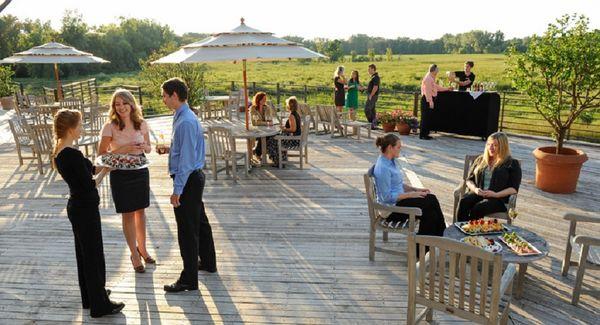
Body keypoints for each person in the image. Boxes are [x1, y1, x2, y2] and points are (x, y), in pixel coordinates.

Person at [53, 109, 125, 318]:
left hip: (77, 207)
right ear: (70, 129)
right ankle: (100, 304)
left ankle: (90, 296)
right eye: (80, 125)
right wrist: (107, 171)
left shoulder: (61, 151)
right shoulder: (72, 154)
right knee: (93, 256)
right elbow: (90, 184)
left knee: (83, 254)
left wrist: (104, 163)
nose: (82, 129)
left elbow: (89, 169)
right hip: (84, 209)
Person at [158, 78, 217, 293]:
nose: (163, 99)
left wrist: (177, 190)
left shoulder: (185, 121)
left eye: (164, 95)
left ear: (174, 95)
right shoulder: (184, 115)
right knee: (200, 222)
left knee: (187, 230)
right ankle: (208, 262)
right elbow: (183, 149)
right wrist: (168, 149)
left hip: (189, 180)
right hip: (194, 176)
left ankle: (188, 279)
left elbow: (185, 161)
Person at [98, 89, 153, 274]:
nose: (121, 107)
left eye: (124, 103)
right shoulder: (110, 126)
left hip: (140, 170)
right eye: (117, 104)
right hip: (120, 174)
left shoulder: (142, 123)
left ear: (131, 104)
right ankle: (134, 254)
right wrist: (124, 148)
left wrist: (144, 146)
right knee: (128, 214)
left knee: (141, 212)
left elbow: (149, 147)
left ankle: (143, 249)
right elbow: (102, 155)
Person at [372, 133, 447, 237]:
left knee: (431, 209)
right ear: (390, 148)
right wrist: (411, 195)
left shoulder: (390, 161)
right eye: (398, 147)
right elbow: (386, 198)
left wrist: (415, 189)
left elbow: (397, 184)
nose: (400, 150)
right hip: (391, 210)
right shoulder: (383, 168)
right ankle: (429, 243)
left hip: (399, 201)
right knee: (430, 204)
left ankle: (438, 239)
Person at [457, 132, 522, 221]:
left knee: (478, 208)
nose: (490, 148)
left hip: (498, 199)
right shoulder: (481, 160)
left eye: (495, 145)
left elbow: (513, 188)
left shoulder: (512, 163)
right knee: (464, 202)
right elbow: (469, 180)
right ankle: (461, 229)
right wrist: (476, 189)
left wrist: (495, 194)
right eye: (489, 144)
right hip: (479, 193)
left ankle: (473, 231)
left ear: (503, 146)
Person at [419, 64, 453, 140]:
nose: (438, 71)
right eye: (437, 70)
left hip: (428, 99)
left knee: (428, 117)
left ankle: (425, 134)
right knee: (425, 118)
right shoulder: (428, 78)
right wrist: (430, 102)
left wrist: (447, 88)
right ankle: (423, 135)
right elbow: (427, 91)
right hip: (427, 100)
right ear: (433, 70)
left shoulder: (431, 77)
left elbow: (436, 87)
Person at [267, 96, 302, 167]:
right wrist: (285, 128)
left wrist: (284, 129)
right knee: (275, 137)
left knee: (271, 140)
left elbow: (293, 129)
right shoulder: (297, 114)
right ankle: (282, 159)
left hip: (294, 140)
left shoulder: (292, 115)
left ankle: (278, 162)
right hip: (296, 137)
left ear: (289, 106)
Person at [249, 92, 274, 160]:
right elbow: (255, 123)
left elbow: (270, 119)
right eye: (263, 99)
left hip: (266, 129)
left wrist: (268, 122)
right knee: (264, 136)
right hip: (256, 130)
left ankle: (257, 151)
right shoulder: (253, 108)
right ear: (258, 99)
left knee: (271, 136)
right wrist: (266, 123)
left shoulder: (267, 108)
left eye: (265, 99)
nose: (265, 101)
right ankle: (258, 152)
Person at [364, 64, 380, 130]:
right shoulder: (373, 77)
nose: (368, 70)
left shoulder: (375, 77)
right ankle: (374, 125)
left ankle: (371, 124)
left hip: (372, 96)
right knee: (372, 110)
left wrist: (371, 95)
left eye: (369, 69)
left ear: (373, 69)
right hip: (372, 95)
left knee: (367, 109)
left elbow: (375, 87)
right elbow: (372, 86)